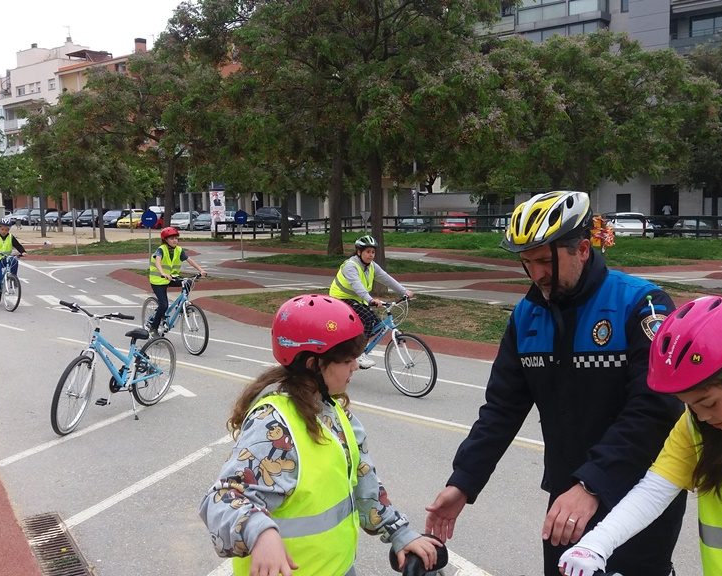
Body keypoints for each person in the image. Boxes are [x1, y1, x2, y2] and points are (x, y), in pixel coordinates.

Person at [425, 190, 686, 576]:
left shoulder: (641, 304)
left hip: (637, 494)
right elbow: (501, 409)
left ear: (582, 249)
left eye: (545, 261)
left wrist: (593, 484)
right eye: (527, 262)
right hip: (568, 495)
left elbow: (656, 408)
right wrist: (463, 481)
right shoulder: (526, 316)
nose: (536, 274)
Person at [560, 296, 722, 576]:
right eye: (690, 405)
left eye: (709, 403)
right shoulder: (695, 426)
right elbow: (653, 491)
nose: (702, 416)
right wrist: (594, 544)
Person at [199, 294, 442, 575]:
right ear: (314, 364)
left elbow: (364, 481)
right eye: (347, 360)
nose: (355, 366)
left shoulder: (335, 413)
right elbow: (223, 498)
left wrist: (399, 532)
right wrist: (260, 532)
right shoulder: (273, 425)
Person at [328, 235, 414, 369]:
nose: (371, 255)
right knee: (367, 319)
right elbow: (357, 286)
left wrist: (404, 291)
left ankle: (352, 345)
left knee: (376, 323)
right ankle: (359, 353)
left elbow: (386, 278)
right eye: (368, 252)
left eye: (373, 252)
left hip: (357, 300)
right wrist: (371, 300)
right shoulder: (350, 266)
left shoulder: (372, 266)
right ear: (359, 252)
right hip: (339, 299)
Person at [147, 227, 206, 335]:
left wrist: (200, 270)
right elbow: (157, 261)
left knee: (188, 282)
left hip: (171, 277)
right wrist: (162, 273)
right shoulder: (161, 250)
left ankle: (181, 306)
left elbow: (189, 260)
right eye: (172, 238)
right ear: (165, 240)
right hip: (158, 280)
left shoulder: (179, 250)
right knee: (163, 305)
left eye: (176, 238)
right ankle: (153, 328)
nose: (175, 240)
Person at [0, 217, 26, 300]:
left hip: (5, 258)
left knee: (14, 261)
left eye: (7, 230)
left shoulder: (10, 237)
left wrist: (23, 252)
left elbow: (18, 245)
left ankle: (13, 278)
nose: (4, 231)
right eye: (2, 229)